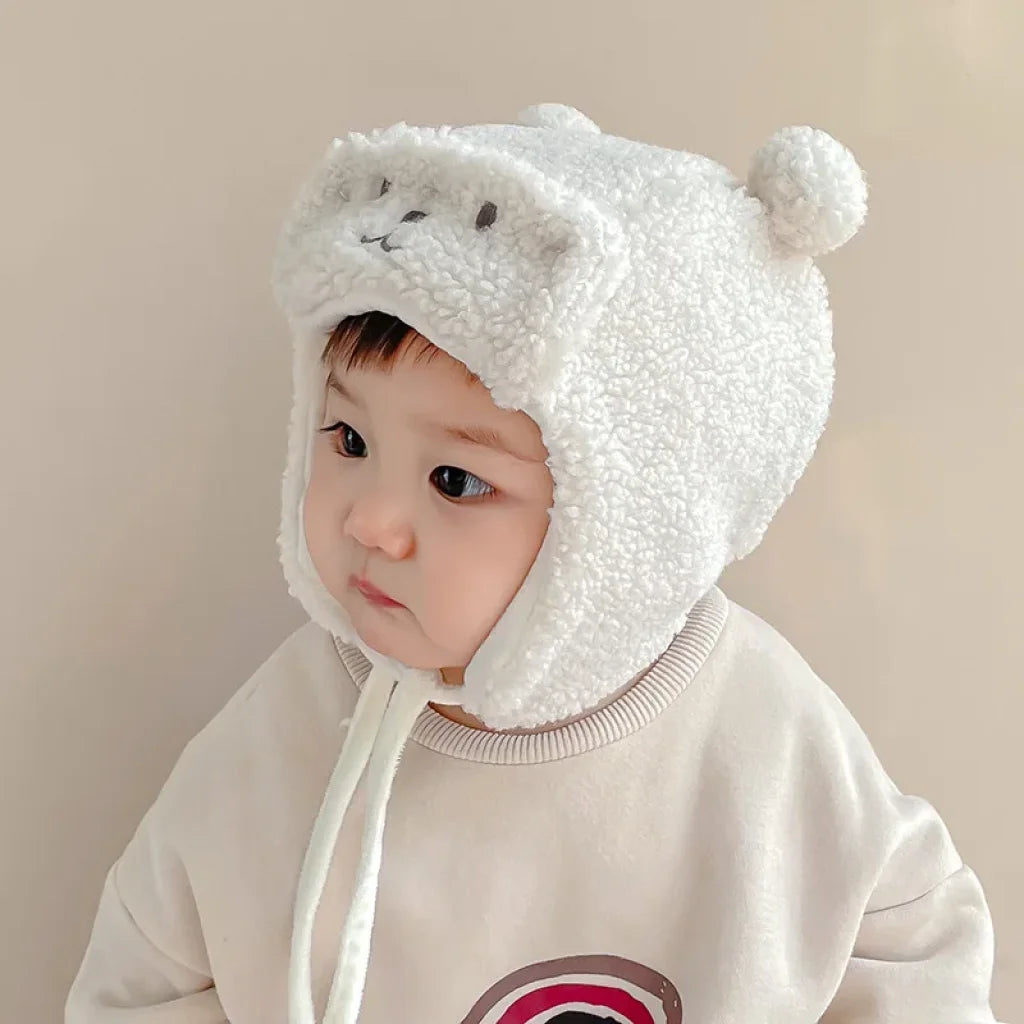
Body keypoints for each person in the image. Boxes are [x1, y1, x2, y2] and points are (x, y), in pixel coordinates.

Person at [65, 103, 1002, 1024]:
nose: (372, 521)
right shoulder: (292, 731)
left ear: (637, 520)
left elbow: (911, 946)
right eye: (348, 437)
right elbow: (150, 973)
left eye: (455, 481)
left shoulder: (758, 731)